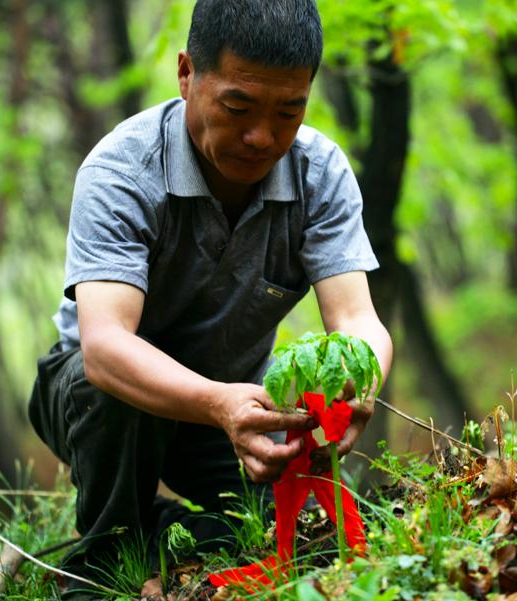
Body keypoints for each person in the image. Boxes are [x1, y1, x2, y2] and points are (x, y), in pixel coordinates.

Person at [27, 0, 393, 598]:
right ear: (186, 74)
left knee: (271, 536)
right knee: (108, 395)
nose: (262, 136)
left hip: (232, 406)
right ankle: (100, 566)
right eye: (238, 107)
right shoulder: (122, 171)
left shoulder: (319, 172)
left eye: (289, 112)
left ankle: (168, 529)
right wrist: (220, 404)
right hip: (101, 404)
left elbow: (358, 320)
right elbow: (104, 347)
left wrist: (356, 387)